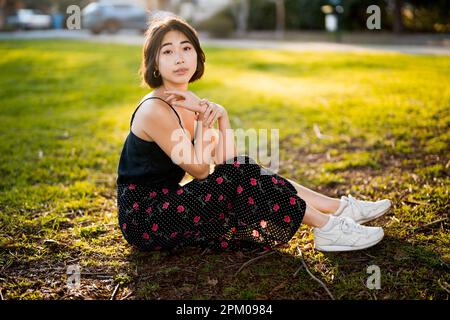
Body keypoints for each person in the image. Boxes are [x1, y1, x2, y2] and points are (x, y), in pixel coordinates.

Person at [116, 15, 392, 254]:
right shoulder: (155, 110)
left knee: (244, 169)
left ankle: (338, 210)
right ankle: (328, 227)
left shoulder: (188, 100)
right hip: (146, 219)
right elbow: (200, 171)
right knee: (242, 172)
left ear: (197, 56)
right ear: (154, 63)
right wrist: (203, 120)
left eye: (186, 48)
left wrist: (221, 118)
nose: (179, 58)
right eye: (167, 52)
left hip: (171, 205)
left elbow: (229, 162)